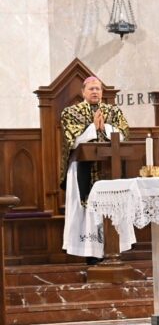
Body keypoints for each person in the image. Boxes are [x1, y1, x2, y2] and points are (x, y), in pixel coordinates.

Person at [60, 76, 129, 263]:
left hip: (108, 168)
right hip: (82, 169)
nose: (95, 92)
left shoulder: (112, 111)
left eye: (98, 89)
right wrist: (92, 128)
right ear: (83, 92)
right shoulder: (71, 112)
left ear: (102, 92)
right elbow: (71, 140)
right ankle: (91, 253)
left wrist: (105, 127)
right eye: (91, 89)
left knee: (110, 207)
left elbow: (124, 133)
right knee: (88, 211)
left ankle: (112, 249)